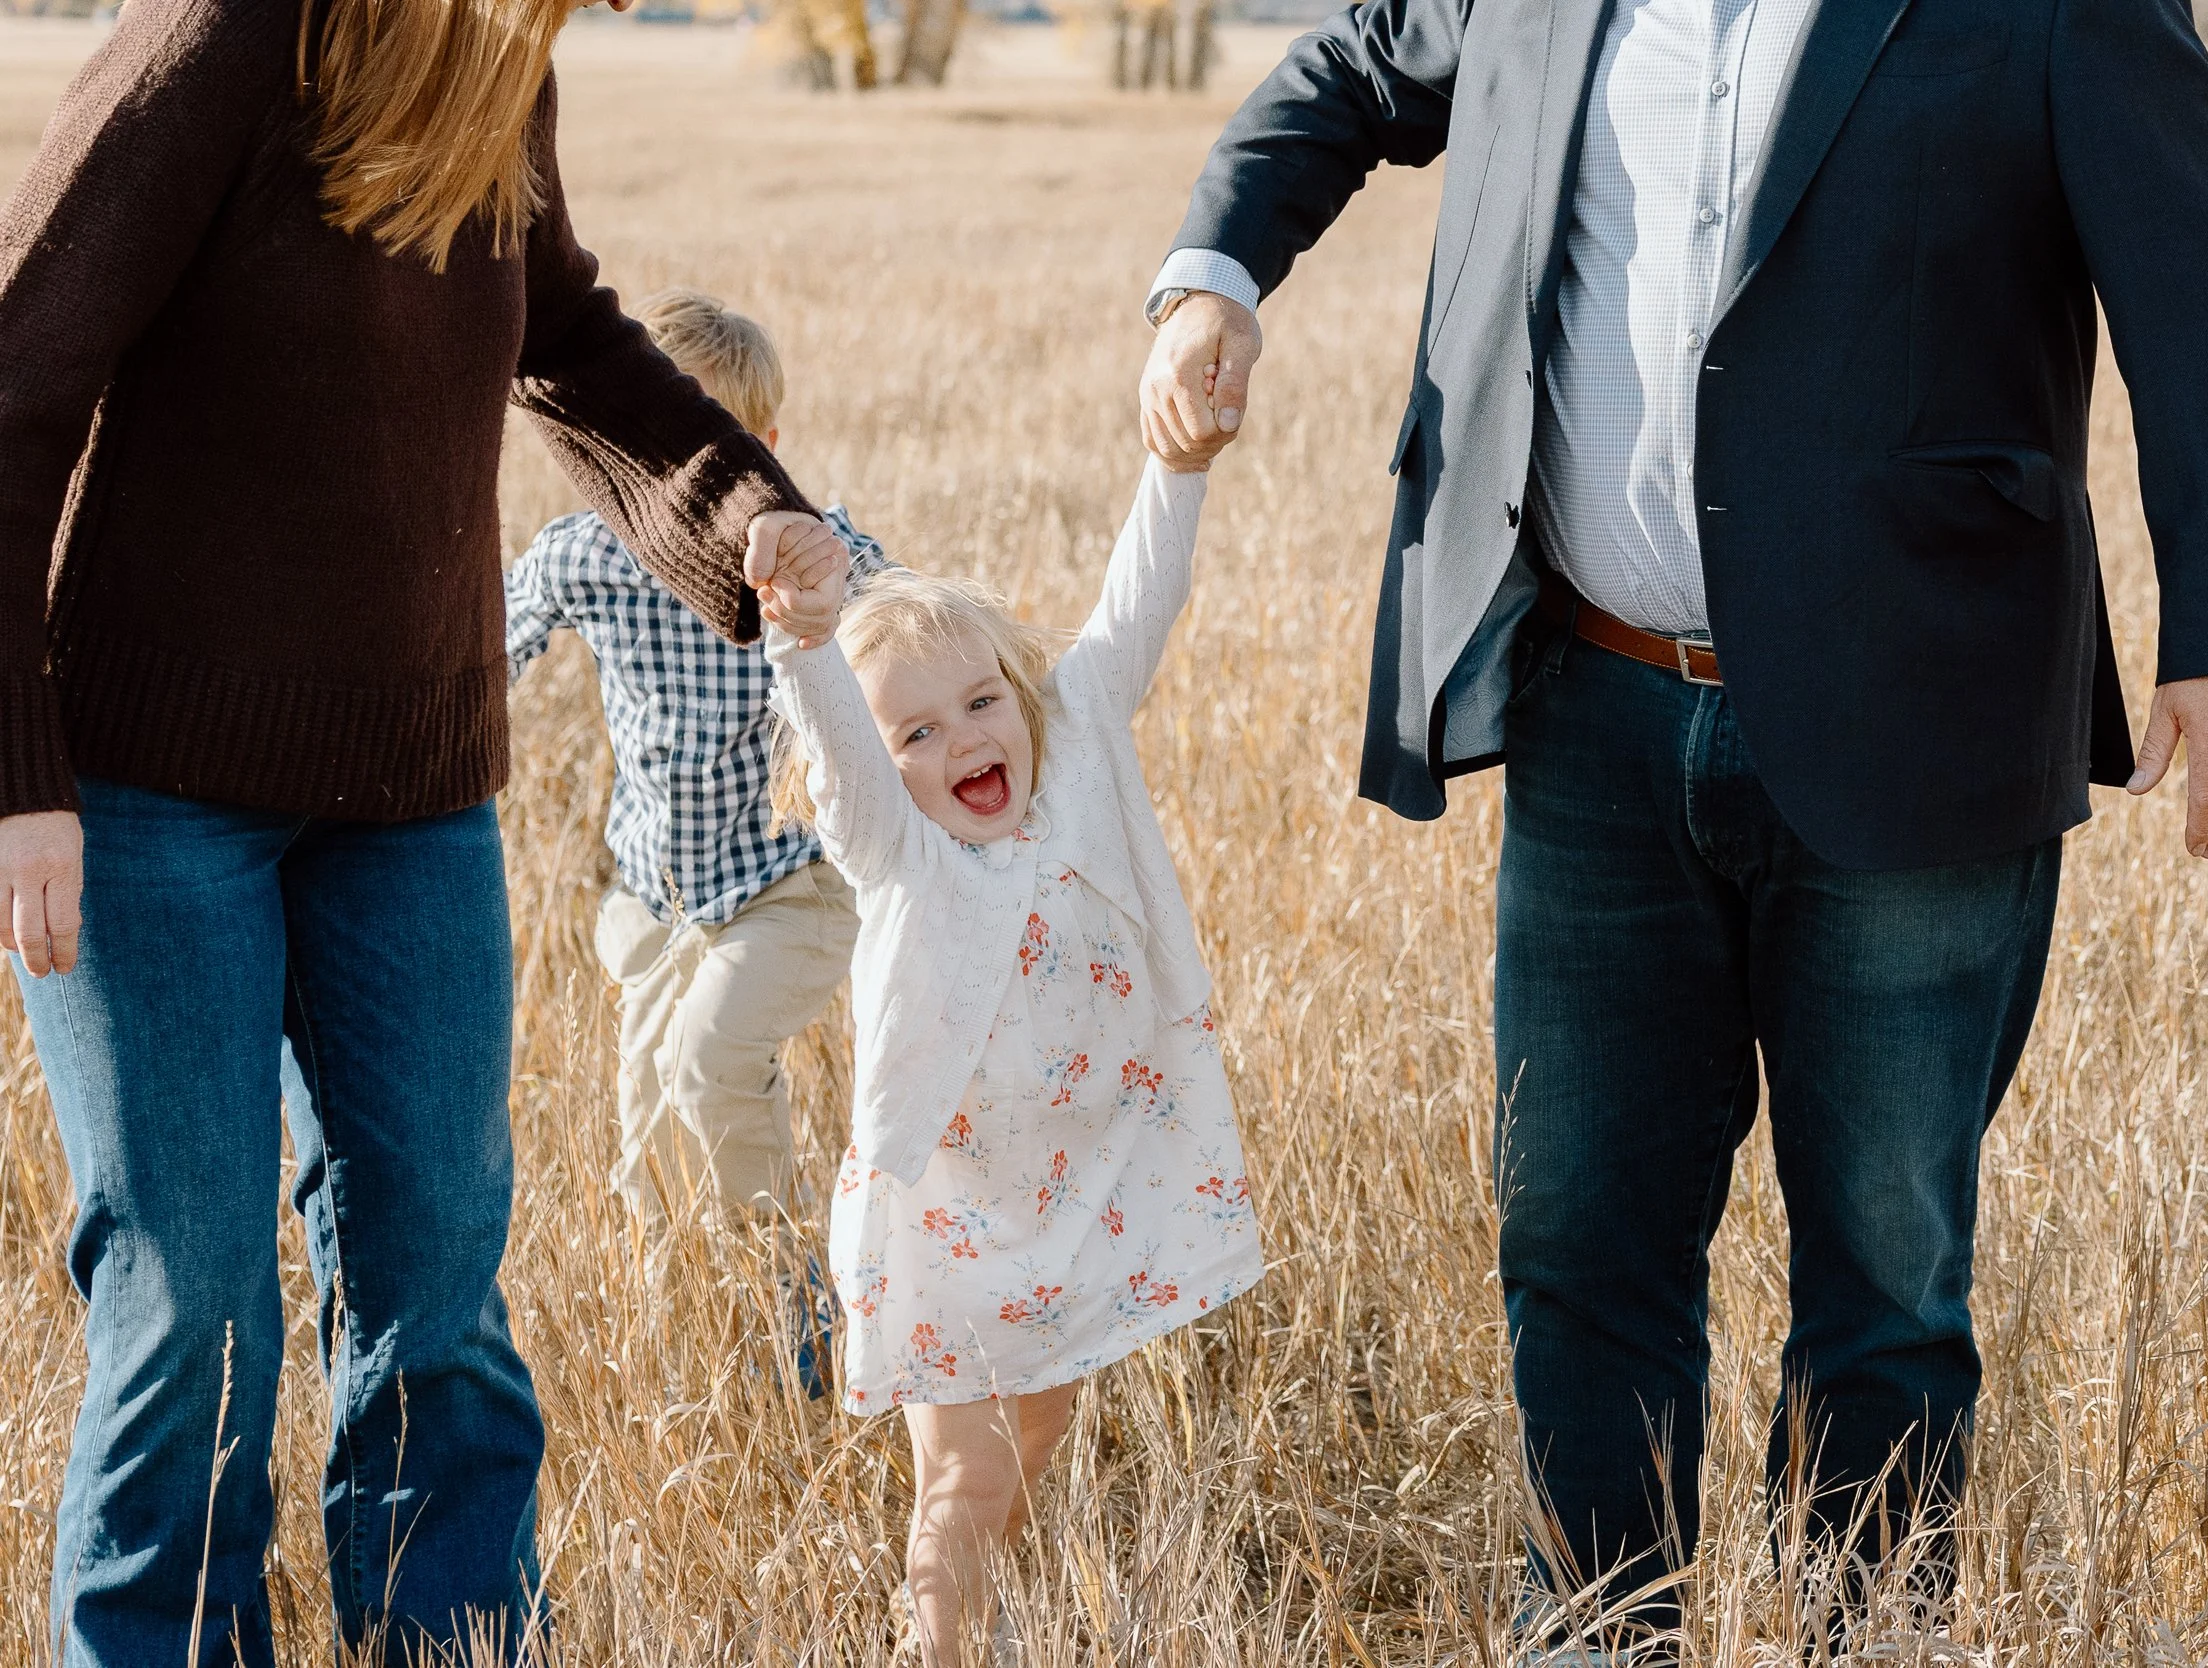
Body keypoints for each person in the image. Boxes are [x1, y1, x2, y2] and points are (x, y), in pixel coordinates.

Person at [1137, 0, 2208, 1647]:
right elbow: (1353, 67)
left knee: (1888, 1286)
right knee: (1576, 1241)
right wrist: (1212, 278)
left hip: (1923, 715)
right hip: (1593, 714)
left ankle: (1862, 1635)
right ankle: (1600, 1635)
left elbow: (2202, 281)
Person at [0, 0, 855, 1661]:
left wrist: (751, 513)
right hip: (150, 797)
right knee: (199, 1323)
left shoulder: (492, 56)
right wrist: (18, 768)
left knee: (441, 1302)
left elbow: (573, 338)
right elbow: (15, 377)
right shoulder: (229, 36)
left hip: (411, 802)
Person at [769, 459, 1264, 1667]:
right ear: (886, 770)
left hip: (1078, 1190)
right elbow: (839, 752)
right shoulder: (901, 852)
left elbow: (1140, 597)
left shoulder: (1077, 739)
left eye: (983, 703)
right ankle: (932, 1640)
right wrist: (805, 645)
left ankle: (968, 1618)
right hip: (956, 1217)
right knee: (966, 1481)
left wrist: (1175, 466)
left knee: (1038, 1423)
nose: (967, 740)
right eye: (920, 734)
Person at [506, 290, 882, 1244]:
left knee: (710, 1062)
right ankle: (675, 1303)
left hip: (790, 881)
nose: (683, 487)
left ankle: (786, 1296)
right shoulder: (580, 557)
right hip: (657, 893)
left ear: (764, 451)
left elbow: (921, 639)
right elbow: (479, 657)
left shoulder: (817, 558)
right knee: (647, 1130)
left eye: (717, 456)